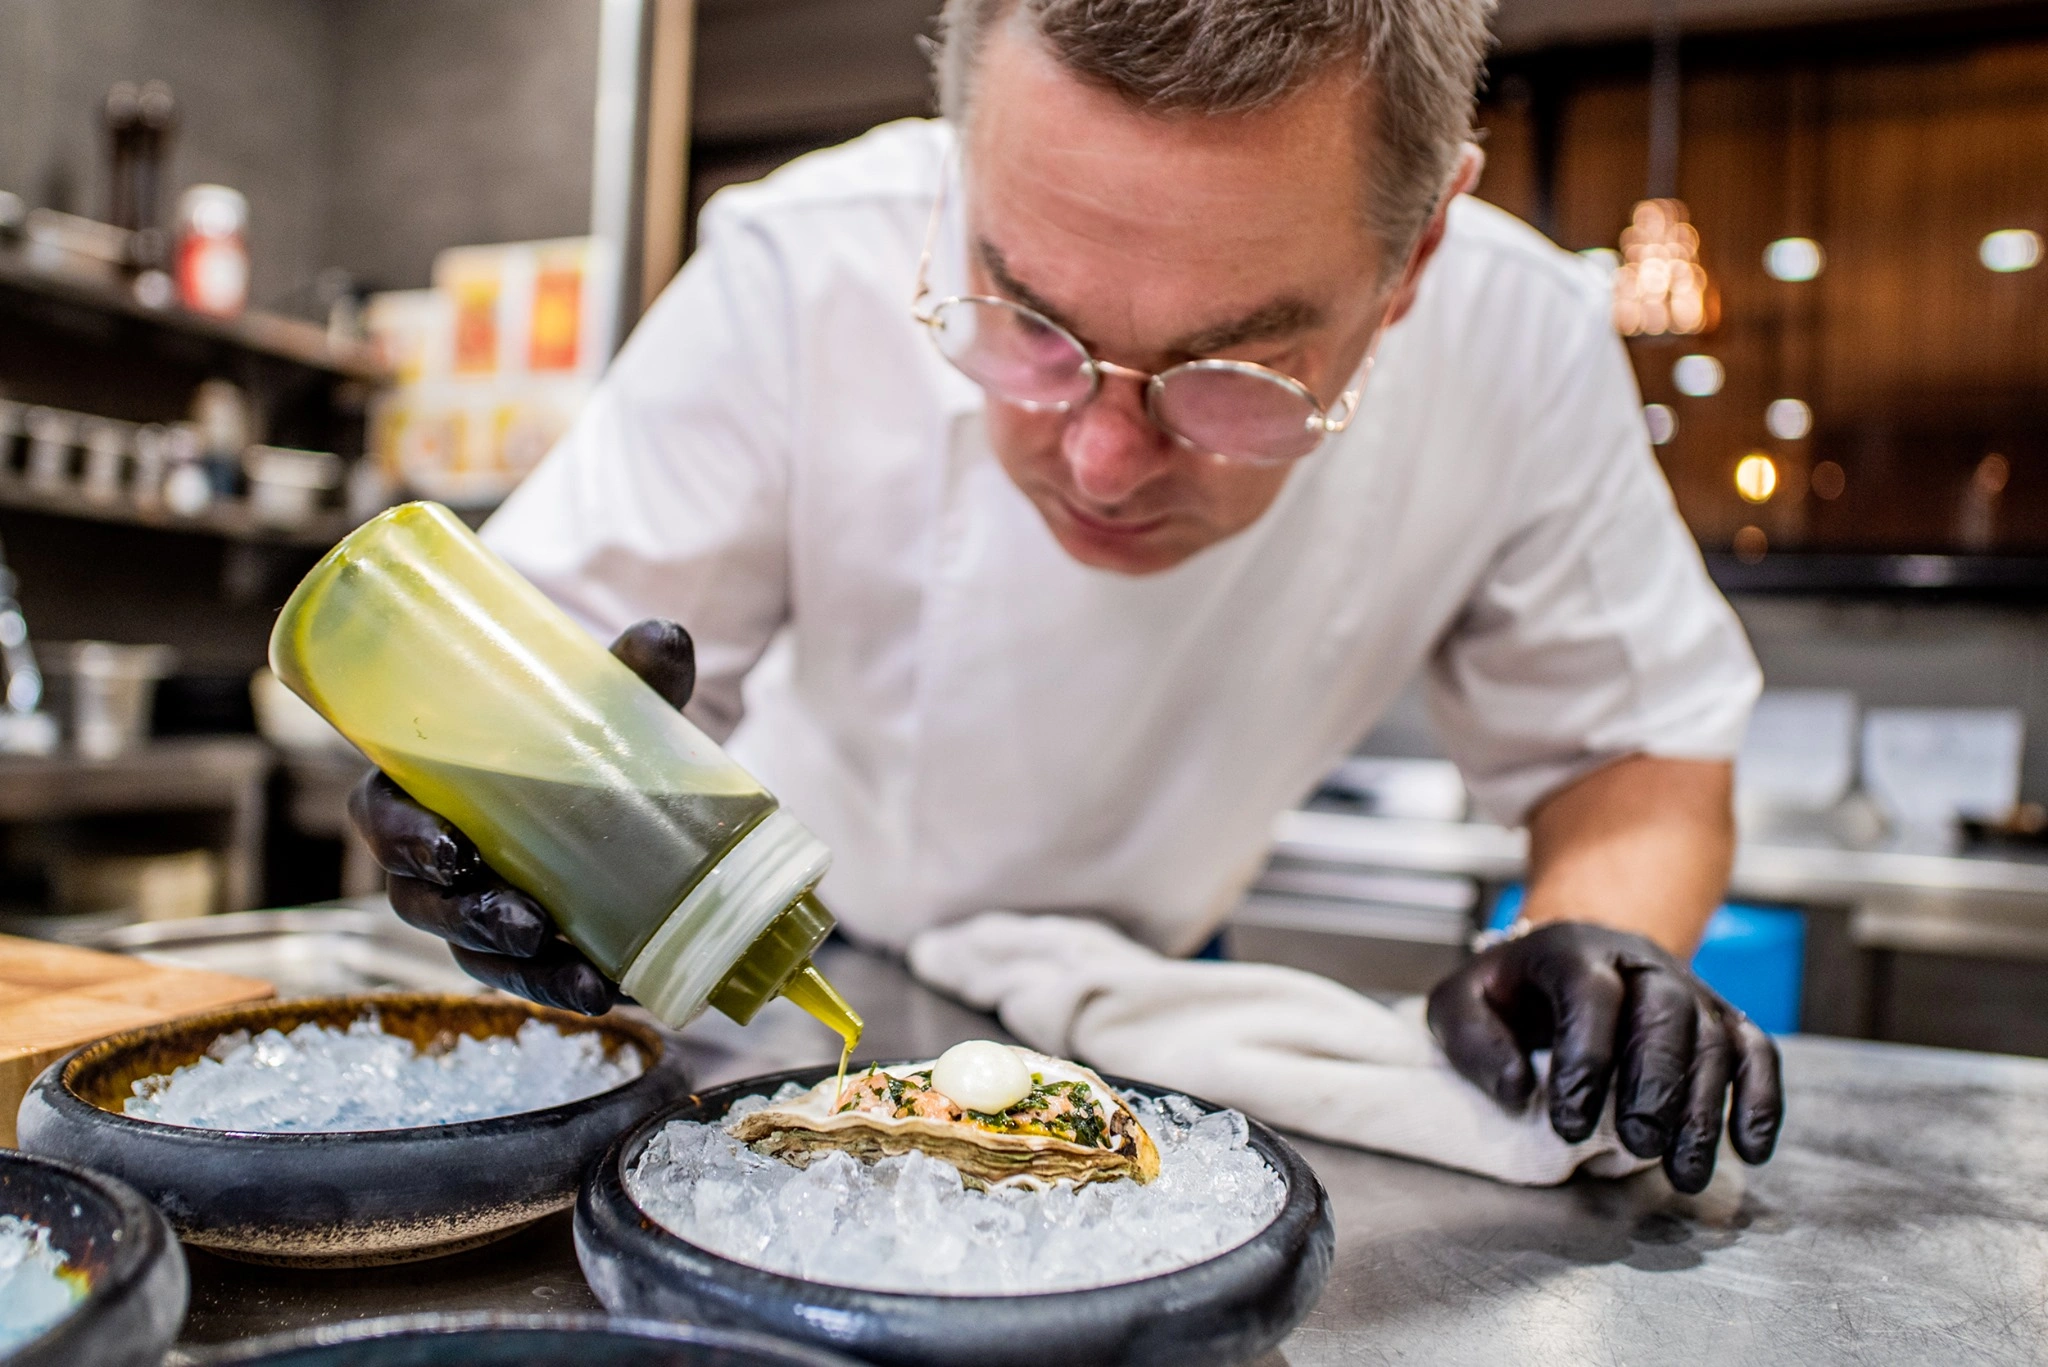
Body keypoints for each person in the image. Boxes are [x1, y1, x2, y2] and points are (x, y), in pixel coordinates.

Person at [352, 0, 1781, 1193]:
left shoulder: (1520, 347)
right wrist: (498, 816)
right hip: (772, 969)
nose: (1102, 462)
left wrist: (1592, 941)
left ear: (1413, 261)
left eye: (1234, 373)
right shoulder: (800, 266)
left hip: (1162, 986)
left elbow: (1632, 751)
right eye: (1026, 319)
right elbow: (539, 680)